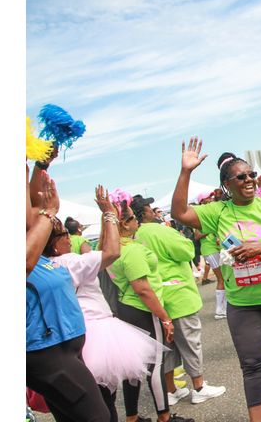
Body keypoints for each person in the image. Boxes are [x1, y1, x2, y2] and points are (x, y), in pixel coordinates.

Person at [171, 138, 261, 422]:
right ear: (228, 185)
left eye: (251, 175)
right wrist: (186, 172)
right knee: (252, 365)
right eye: (241, 177)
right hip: (242, 303)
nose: (249, 180)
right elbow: (179, 214)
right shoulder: (217, 212)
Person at [50, 186, 167, 422]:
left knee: (89, 399)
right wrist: (110, 216)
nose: (69, 239)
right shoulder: (70, 262)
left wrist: (107, 219)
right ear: (53, 243)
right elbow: (110, 252)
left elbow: (102, 250)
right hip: (95, 330)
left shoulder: (45, 266)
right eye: (64, 235)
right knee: (103, 400)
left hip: (70, 332)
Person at [26, 167, 111, 422]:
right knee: (98, 418)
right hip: (46, 353)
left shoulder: (35, 249)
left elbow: (31, 205)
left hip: (64, 349)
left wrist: (38, 165)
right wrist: (48, 213)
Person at [130, 194, 227, 406]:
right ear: (144, 212)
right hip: (178, 294)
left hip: (155, 299)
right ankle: (199, 387)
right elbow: (186, 251)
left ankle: (170, 391)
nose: (152, 209)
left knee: (166, 347)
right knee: (190, 342)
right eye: (148, 207)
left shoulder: (132, 236)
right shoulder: (160, 230)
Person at [108, 191, 194, 422]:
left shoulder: (112, 248)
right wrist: (165, 317)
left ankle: (132, 417)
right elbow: (143, 288)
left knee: (133, 368)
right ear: (125, 225)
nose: (138, 221)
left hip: (127, 308)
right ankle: (164, 417)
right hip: (143, 310)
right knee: (154, 366)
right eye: (133, 218)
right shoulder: (132, 250)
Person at [196, 192, 222, 287]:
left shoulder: (212, 212)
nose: (211, 198)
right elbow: (197, 235)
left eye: (211, 196)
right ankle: (221, 302)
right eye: (208, 197)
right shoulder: (201, 215)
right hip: (209, 249)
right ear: (202, 201)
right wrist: (211, 227)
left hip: (218, 247)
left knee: (227, 277)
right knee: (221, 279)